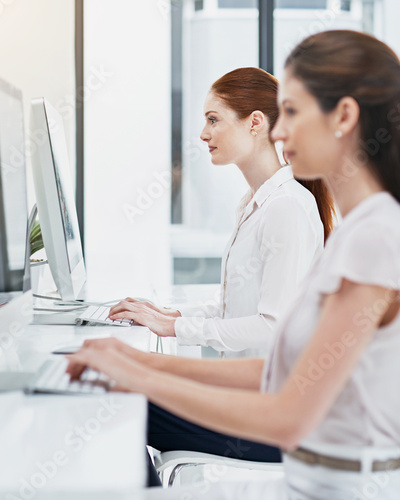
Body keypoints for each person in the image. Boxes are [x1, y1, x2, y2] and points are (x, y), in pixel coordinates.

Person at [68, 30, 400, 497]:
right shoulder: (359, 231)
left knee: (118, 418)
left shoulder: (374, 236)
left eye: (293, 112)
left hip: (329, 485)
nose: (279, 133)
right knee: (117, 410)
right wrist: (138, 361)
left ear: (344, 116)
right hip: (316, 477)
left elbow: (289, 415)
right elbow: (280, 369)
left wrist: (142, 375)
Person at [109, 67, 334, 359]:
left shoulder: (286, 207)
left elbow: (272, 327)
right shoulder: (254, 202)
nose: (203, 134)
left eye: (213, 120)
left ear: (255, 123)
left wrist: (176, 327)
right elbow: (237, 307)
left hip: (261, 394)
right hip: (241, 384)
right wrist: (170, 314)